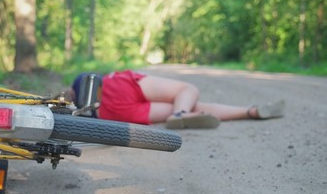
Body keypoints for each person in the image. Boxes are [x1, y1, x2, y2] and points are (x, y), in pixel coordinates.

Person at [69, 70, 285, 129]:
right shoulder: (85, 79)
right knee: (187, 90)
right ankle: (180, 114)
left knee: (186, 104)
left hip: (107, 113)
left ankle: (250, 111)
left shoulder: (69, 99)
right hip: (117, 86)